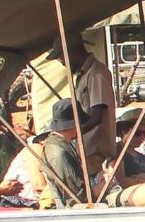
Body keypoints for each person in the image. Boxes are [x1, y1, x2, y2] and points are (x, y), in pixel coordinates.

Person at [29, 31, 116, 173]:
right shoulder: (84, 74)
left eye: (61, 57)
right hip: (86, 151)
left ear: (72, 52)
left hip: (96, 153)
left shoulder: (96, 73)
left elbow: (97, 117)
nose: (62, 63)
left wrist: (67, 135)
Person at [106, 103, 145, 206]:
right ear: (123, 130)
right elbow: (118, 180)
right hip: (125, 194)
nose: (142, 137)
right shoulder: (117, 151)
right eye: (138, 133)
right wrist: (138, 180)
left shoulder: (142, 157)